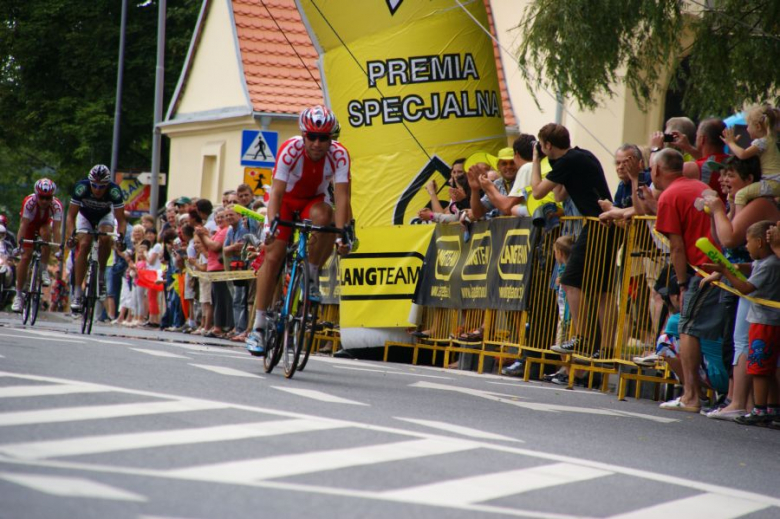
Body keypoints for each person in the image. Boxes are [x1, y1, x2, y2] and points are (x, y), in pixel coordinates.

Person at [246, 105, 352, 355]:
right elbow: (277, 193)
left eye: (323, 138)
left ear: (331, 138)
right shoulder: (290, 149)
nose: (317, 144)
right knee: (273, 256)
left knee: (326, 217)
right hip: (285, 202)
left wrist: (343, 235)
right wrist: (272, 224)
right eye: (311, 137)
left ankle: (311, 273)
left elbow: (343, 198)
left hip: (311, 203)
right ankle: (259, 328)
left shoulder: (340, 155)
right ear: (303, 135)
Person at [530, 123, 614, 356]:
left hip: (597, 225)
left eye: (542, 145)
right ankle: (606, 348)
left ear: (547, 145)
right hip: (607, 223)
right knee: (602, 290)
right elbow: (559, 194)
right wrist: (554, 165)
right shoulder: (579, 157)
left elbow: (537, 192)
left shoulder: (569, 160)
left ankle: (583, 339)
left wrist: (536, 161)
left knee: (568, 280)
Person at [652, 149, 725, 413]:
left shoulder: (669, 196)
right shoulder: (701, 186)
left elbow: (677, 247)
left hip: (700, 272)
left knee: (688, 328)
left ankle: (691, 396)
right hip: (721, 267)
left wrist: (682, 284)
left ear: (658, 170)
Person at [706, 221, 780, 425]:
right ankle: (773, 408)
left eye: (748, 242)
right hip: (763, 321)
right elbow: (751, 267)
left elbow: (745, 288)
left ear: (759, 242)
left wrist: (727, 272)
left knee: (759, 366)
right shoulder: (765, 262)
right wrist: (732, 266)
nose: (745, 247)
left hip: (765, 322)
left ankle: (760, 408)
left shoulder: (770, 264)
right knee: (769, 366)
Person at [64, 165, 126, 312]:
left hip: (105, 215)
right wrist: (72, 234)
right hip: (85, 215)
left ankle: (101, 276)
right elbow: (71, 216)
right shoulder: (82, 188)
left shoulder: (114, 191)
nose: (98, 189)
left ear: (107, 184)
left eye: (102, 186)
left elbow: (122, 220)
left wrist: (121, 238)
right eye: (95, 185)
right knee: (84, 244)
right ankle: (78, 292)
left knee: (106, 238)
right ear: (90, 182)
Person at [12, 179, 63, 312]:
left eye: (48, 198)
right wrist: (19, 246)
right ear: (36, 195)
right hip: (29, 225)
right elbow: (23, 226)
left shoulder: (56, 205)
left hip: (44, 224)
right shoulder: (29, 202)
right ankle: (18, 295)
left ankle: (43, 268)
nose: (45, 201)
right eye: (42, 197)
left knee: (46, 232)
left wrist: (58, 250)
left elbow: (57, 230)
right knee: (25, 256)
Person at [722, 105, 780, 212]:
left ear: (757, 127)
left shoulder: (762, 142)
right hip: (775, 183)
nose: (747, 129)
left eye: (748, 126)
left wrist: (730, 143)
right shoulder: (769, 140)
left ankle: (738, 223)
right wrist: (734, 144)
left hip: (772, 182)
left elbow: (742, 154)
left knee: (741, 195)